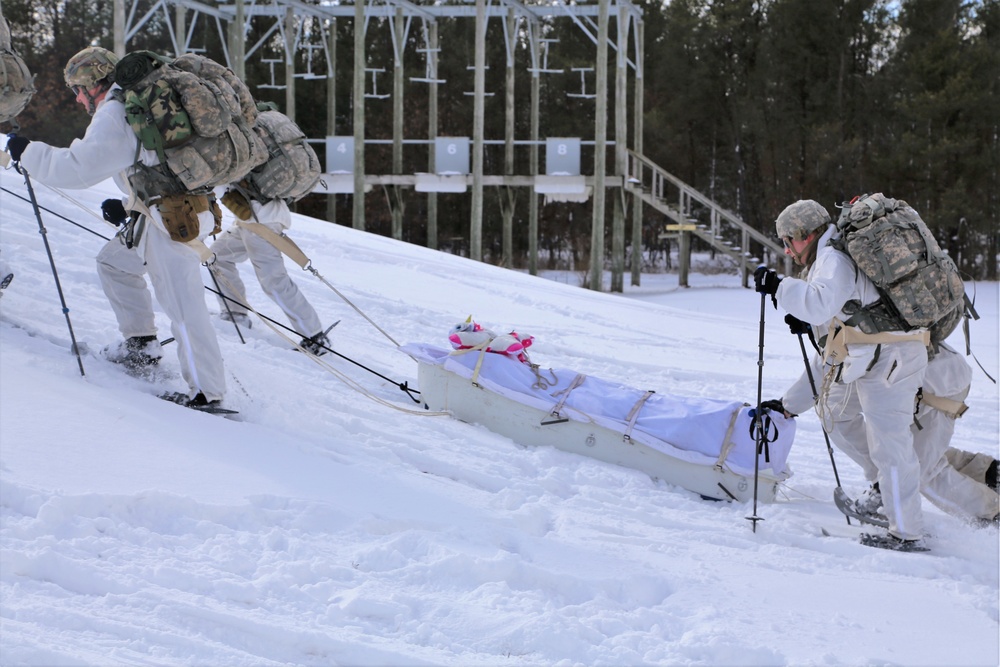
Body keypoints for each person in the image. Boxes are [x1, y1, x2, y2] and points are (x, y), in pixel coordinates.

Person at [7, 46, 227, 409]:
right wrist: (128, 203)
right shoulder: (135, 101)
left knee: (183, 307)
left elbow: (78, 167)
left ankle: (208, 393)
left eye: (79, 88)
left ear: (96, 82)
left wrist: (28, 152)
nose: (78, 98)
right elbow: (150, 158)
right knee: (115, 263)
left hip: (172, 219)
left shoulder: (116, 109)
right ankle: (141, 344)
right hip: (166, 210)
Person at [755, 199, 931, 549]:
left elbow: (818, 303)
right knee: (835, 412)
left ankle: (906, 533)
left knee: (890, 445)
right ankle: (884, 487)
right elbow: (830, 352)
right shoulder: (828, 258)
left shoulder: (834, 258)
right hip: (871, 355)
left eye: (789, 240)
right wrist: (789, 404)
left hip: (892, 358)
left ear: (808, 234)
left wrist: (779, 287)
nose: (787, 250)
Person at [209, 191, 331, 355]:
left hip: (261, 220)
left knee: (273, 281)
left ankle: (314, 337)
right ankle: (236, 314)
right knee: (217, 257)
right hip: (249, 218)